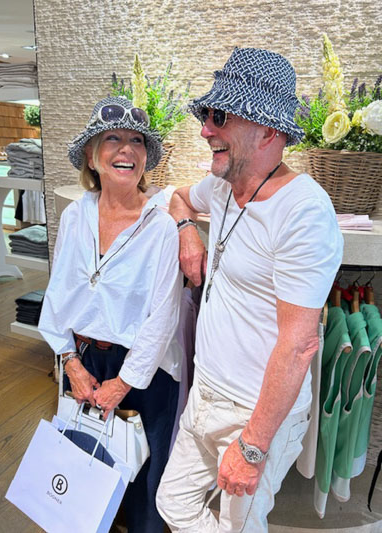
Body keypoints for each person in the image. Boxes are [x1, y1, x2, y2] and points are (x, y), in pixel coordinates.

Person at [156, 47, 343, 532]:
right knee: (172, 504)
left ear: (267, 131)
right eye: (206, 115)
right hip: (206, 394)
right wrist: (187, 231)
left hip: (252, 415)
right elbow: (177, 198)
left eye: (219, 116)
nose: (205, 129)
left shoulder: (303, 211)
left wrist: (253, 446)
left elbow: (300, 344)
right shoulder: (221, 187)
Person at [38, 96, 182, 533]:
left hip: (144, 372)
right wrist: (70, 361)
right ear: (91, 155)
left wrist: (124, 382)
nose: (126, 149)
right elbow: (59, 291)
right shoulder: (76, 215)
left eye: (137, 141)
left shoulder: (160, 226)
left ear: (146, 157)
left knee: (143, 483)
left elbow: (164, 316)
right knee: (82, 469)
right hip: (83, 363)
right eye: (113, 138)